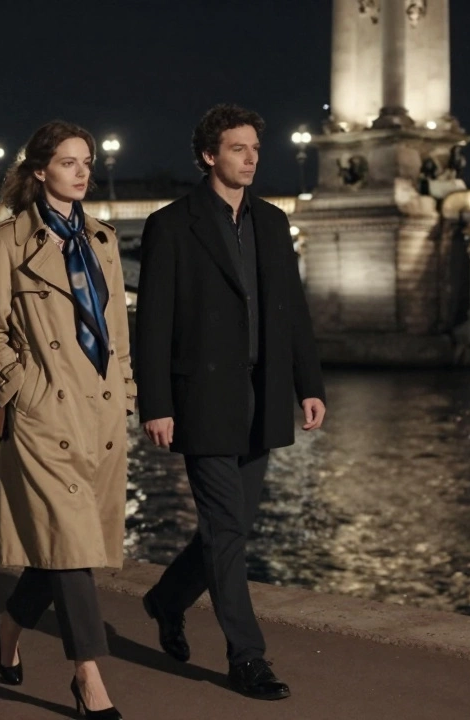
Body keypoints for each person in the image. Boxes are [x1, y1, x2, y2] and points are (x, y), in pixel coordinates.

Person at [134, 104, 327, 701]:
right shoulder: (172, 224)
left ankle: (167, 599)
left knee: (233, 527)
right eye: (238, 149)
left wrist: (309, 384)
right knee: (225, 530)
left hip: (262, 395)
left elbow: (291, 311)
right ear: (208, 156)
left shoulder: (271, 222)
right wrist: (155, 404)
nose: (250, 159)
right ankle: (248, 658)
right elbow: (154, 324)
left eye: (255, 150)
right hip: (203, 398)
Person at [0, 120, 136, 719]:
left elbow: (117, 337)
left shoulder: (103, 241)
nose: (83, 170)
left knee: (69, 546)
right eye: (69, 162)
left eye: (86, 160)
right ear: (40, 172)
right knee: (72, 544)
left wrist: (128, 395)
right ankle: (89, 680)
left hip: (101, 414)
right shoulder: (9, 241)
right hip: (45, 416)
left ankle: (9, 623)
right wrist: (24, 388)